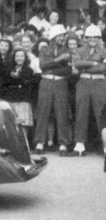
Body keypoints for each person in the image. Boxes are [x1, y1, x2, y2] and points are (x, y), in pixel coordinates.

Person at [34, 25, 72, 155]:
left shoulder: (67, 50)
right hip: (46, 83)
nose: (62, 38)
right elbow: (42, 65)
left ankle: (63, 144)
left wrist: (51, 69)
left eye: (63, 36)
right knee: (43, 112)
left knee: (62, 113)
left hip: (61, 83)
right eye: (60, 36)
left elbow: (68, 70)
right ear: (53, 37)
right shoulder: (44, 49)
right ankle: (40, 142)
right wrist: (58, 60)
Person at [71, 24, 106, 156]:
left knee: (101, 113)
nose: (92, 39)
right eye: (89, 37)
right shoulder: (80, 50)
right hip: (84, 82)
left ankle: (105, 145)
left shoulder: (102, 50)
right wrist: (94, 63)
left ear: (99, 38)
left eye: (95, 37)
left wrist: (86, 65)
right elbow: (76, 63)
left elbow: (103, 68)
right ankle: (79, 144)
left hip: (99, 82)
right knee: (81, 111)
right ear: (85, 38)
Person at [3, 47, 36, 146]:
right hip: (11, 98)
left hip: (23, 99)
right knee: (12, 124)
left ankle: (24, 145)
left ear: (25, 58)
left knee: (23, 124)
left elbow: (27, 83)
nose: (19, 58)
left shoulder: (29, 70)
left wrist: (18, 77)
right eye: (17, 56)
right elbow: (5, 83)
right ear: (14, 58)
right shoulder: (8, 69)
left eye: (22, 56)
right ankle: (13, 145)